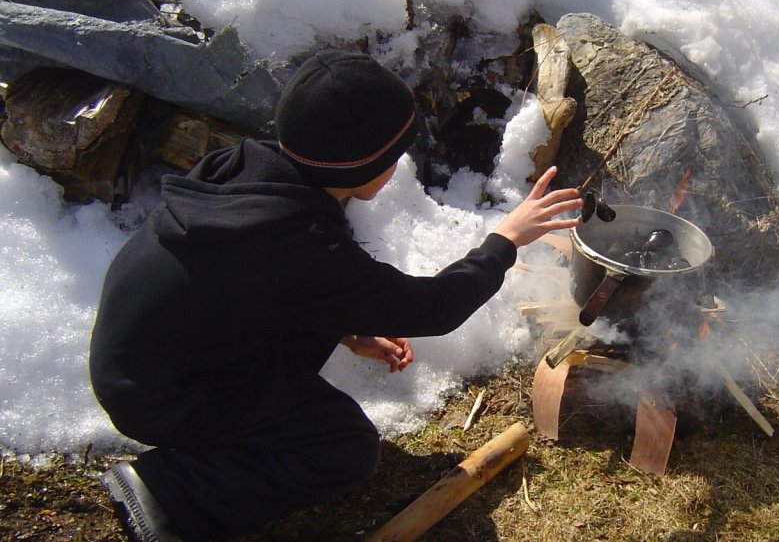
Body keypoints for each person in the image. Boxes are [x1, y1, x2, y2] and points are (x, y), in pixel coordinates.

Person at [90, 50, 582, 541]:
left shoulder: (252, 169)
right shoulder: (295, 243)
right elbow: (433, 307)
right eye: (392, 158)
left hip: (148, 356)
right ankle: (169, 490)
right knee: (343, 449)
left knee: (305, 356)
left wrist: (345, 327)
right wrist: (504, 241)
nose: (396, 169)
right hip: (160, 395)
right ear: (361, 165)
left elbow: (261, 289)